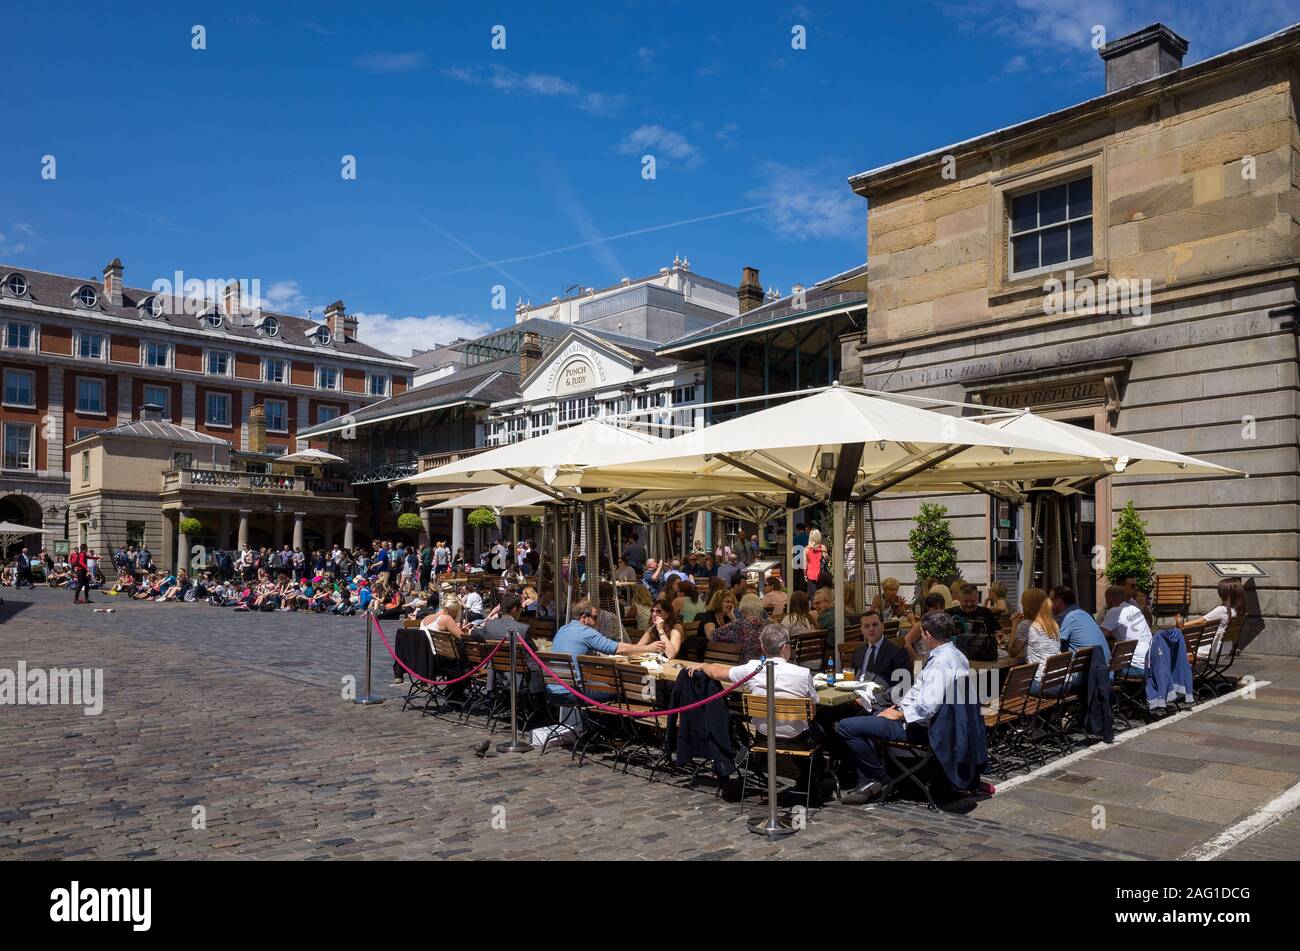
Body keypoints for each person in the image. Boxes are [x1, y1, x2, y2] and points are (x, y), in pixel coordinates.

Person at [835, 612, 969, 805]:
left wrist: (898, 713)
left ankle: (881, 778)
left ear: (928, 635)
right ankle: (865, 779)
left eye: (922, 633)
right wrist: (899, 706)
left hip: (918, 726)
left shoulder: (940, 663)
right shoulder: (956, 655)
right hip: (933, 721)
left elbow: (927, 707)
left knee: (845, 727)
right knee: (859, 720)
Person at [700, 624, 817, 741]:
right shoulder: (803, 673)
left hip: (763, 733)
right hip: (797, 735)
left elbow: (716, 673)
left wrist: (703, 665)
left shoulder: (752, 668)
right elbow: (813, 711)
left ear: (763, 647)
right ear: (786, 648)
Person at [1176, 577, 1245, 658]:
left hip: (1211, 648)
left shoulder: (1222, 610)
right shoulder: (1236, 611)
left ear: (1224, 594)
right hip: (1226, 647)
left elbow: (1198, 622)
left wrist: (1180, 625)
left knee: (1173, 646)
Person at [1006, 587, 1060, 689]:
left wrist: (1015, 624)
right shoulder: (1053, 625)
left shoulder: (1026, 625)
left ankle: (989, 703)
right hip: (1062, 682)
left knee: (999, 681)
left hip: (1042, 684)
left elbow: (1012, 652)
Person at [1101, 584, 1153, 676]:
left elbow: (1100, 635)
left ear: (1110, 599)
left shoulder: (1114, 611)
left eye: (1106, 599)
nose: (1105, 602)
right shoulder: (1134, 608)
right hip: (1151, 663)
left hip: (1136, 667)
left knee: (1102, 669)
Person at [1050, 585, 1111, 664]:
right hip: (1103, 668)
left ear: (1059, 602)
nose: (1048, 603)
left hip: (1089, 672)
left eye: (1050, 600)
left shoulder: (1066, 617)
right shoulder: (1082, 612)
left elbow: (1052, 645)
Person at [850, 610, 911, 688]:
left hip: (881, 697)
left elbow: (903, 686)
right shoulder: (858, 651)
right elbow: (852, 679)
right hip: (856, 695)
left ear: (883, 627)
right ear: (861, 630)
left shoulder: (898, 653)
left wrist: (877, 699)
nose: (871, 629)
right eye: (866, 626)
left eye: (875, 624)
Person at [948, 585, 1000, 660]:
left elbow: (998, 633)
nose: (969, 604)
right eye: (966, 601)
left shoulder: (986, 612)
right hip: (956, 657)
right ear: (960, 599)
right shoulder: (949, 613)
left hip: (982, 657)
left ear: (977, 600)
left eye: (973, 601)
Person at [709, 595, 767, 663]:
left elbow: (713, 635)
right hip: (763, 665)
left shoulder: (738, 625)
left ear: (743, 611)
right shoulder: (766, 625)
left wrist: (733, 618)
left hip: (743, 667)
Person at [904, 593, 948, 661]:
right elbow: (907, 642)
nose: (939, 611)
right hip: (925, 661)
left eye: (942, 608)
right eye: (936, 608)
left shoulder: (942, 624)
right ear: (927, 608)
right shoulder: (921, 624)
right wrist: (917, 659)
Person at [804, 528, 829, 598]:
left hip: (811, 575)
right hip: (822, 575)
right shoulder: (823, 548)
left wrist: (805, 574)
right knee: (822, 596)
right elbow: (827, 561)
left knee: (813, 596)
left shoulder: (807, 549)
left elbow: (805, 565)